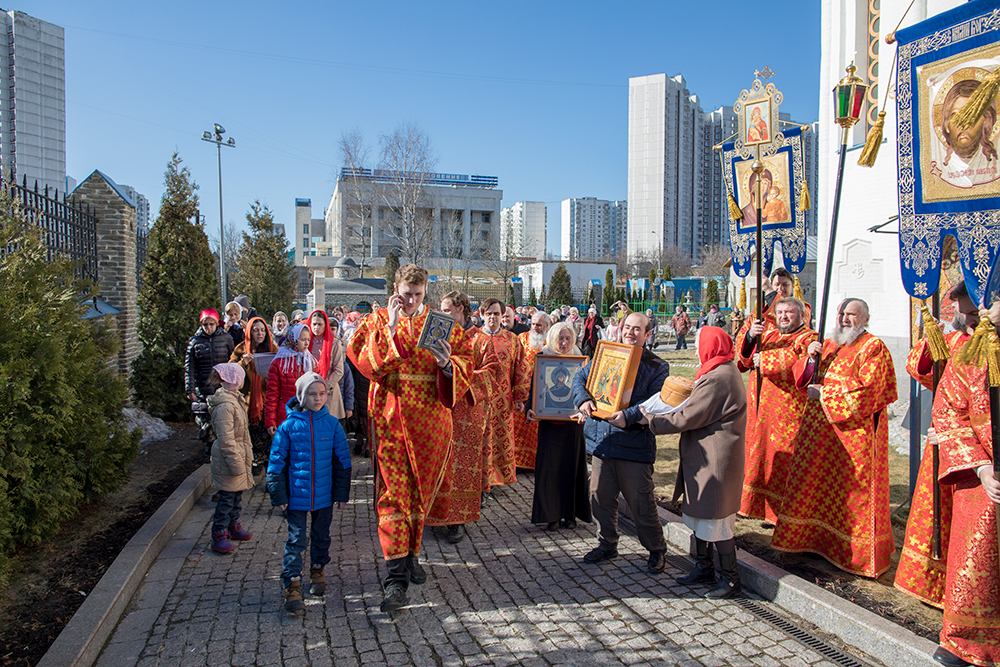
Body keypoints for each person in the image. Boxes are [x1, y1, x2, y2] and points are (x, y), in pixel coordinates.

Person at [347, 264, 474, 613]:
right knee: (393, 497)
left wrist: (448, 366)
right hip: (390, 423)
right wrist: (389, 328)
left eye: (418, 295)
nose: (412, 300)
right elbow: (366, 364)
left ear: (425, 292)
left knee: (420, 497)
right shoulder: (376, 321)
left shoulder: (441, 325)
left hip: (431, 424)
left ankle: (412, 554)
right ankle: (395, 578)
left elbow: (466, 363)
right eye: (406, 294)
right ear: (395, 288)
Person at [771, 298, 897, 577]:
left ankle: (853, 554)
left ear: (864, 318)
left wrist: (825, 394)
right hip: (820, 435)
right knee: (813, 485)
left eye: (851, 315)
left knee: (849, 496)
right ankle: (808, 541)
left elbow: (869, 391)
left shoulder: (873, 347)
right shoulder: (828, 344)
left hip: (854, 438)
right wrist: (809, 358)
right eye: (841, 314)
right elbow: (801, 378)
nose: (844, 319)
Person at [642, 326, 747, 598]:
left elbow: (690, 415)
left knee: (718, 519)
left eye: (701, 343)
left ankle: (730, 579)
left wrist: (650, 419)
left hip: (716, 457)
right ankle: (704, 567)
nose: (699, 349)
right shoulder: (719, 369)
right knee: (702, 512)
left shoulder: (719, 376)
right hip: (707, 453)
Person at [894, 281, 976, 608]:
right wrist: (931, 340)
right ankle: (934, 584)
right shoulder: (952, 339)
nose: (966, 317)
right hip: (943, 439)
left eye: (972, 310)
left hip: (977, 448)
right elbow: (920, 369)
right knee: (937, 513)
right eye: (962, 310)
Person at [927, 299, 1000, 667]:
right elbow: (948, 412)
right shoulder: (969, 356)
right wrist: (983, 467)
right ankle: (966, 642)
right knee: (976, 563)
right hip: (982, 478)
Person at [573, 312, 670, 574]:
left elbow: (655, 403)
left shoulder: (657, 366)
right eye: (627, 327)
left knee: (642, 503)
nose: (630, 332)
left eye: (637, 329)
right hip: (604, 443)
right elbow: (579, 379)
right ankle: (607, 544)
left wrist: (627, 417)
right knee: (600, 498)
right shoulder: (606, 355)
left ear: (647, 334)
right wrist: (582, 400)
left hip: (633, 445)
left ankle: (656, 550)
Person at [266, 372, 350, 614]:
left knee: (321, 536)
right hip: (296, 497)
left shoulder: (332, 424)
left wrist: (341, 494)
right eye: (312, 394)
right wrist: (279, 496)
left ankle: (317, 567)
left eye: (322, 394)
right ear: (302, 396)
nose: (318, 398)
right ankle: (292, 581)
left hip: (324, 497)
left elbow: (342, 462)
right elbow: (276, 463)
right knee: (296, 540)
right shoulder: (288, 426)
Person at [735, 297, 816, 523]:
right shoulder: (769, 335)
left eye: (789, 313)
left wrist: (767, 360)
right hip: (762, 410)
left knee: (784, 462)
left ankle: (780, 514)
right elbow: (746, 360)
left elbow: (800, 363)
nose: (783, 317)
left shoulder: (808, 338)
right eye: (780, 313)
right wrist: (751, 336)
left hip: (788, 413)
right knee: (759, 455)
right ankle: (753, 506)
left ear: (801, 315)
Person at [426, 290, 495, 544]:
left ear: (461, 310)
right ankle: (434, 516)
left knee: (461, 468)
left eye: (448, 310)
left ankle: (458, 521)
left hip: (467, 410)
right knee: (438, 464)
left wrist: (458, 375)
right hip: (439, 408)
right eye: (441, 310)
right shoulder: (437, 334)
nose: (443, 315)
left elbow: (493, 374)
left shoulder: (480, 339)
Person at [529, 322, 592, 531]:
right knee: (550, 470)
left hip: (572, 425)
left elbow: (586, 392)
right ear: (553, 338)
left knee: (571, 469)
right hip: (549, 426)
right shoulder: (543, 358)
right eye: (560, 338)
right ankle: (551, 515)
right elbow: (535, 390)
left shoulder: (579, 360)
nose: (564, 343)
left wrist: (584, 411)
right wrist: (532, 409)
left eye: (567, 339)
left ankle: (570, 514)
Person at [480, 298, 532, 493]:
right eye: (489, 313)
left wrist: (519, 397)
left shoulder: (511, 340)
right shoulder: (473, 338)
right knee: (481, 441)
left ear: (503, 316)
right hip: (480, 401)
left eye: (496, 313)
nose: (493, 317)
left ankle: (495, 479)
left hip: (503, 402)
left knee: (500, 441)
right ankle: (481, 481)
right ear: (482, 315)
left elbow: (522, 368)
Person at [206, 363, 254, 554]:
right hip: (229, 460)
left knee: (236, 495)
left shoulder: (235, 399)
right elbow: (227, 440)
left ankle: (233, 525)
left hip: (238, 456)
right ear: (235, 380)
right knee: (226, 498)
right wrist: (235, 462)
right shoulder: (226, 405)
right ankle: (219, 533)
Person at [229, 316, 279, 475]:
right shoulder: (241, 349)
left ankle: (268, 474)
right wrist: (242, 364)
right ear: (249, 332)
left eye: (263, 330)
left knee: (269, 440)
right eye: (256, 330)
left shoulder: (273, 349)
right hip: (247, 403)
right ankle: (252, 467)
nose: (260, 333)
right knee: (249, 437)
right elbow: (229, 373)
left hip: (268, 402)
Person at [513, 312, 550, 471]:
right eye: (533, 324)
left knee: (535, 429)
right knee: (517, 428)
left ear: (546, 326)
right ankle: (516, 463)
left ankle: (534, 463)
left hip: (541, 393)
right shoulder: (521, 338)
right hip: (521, 391)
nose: (535, 327)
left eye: (539, 325)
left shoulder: (550, 343)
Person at [264, 324, 316, 434]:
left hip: (306, 414)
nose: (306, 343)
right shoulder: (279, 363)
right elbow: (272, 394)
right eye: (302, 339)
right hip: (284, 415)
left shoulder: (310, 362)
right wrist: (270, 421)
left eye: (308, 339)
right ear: (293, 339)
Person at [185, 308, 236, 404]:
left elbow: (233, 361)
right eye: (205, 324)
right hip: (202, 387)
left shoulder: (226, 338)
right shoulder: (194, 341)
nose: (208, 327)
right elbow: (190, 367)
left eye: (211, 324)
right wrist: (190, 389)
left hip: (222, 386)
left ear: (216, 324)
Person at [308, 310, 347, 420]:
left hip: (329, 390)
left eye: (320, 324)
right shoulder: (305, 342)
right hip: (309, 389)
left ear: (325, 325)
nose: (316, 327)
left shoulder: (334, 343)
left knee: (327, 428)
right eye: (314, 324)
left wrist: (323, 386)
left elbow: (339, 370)